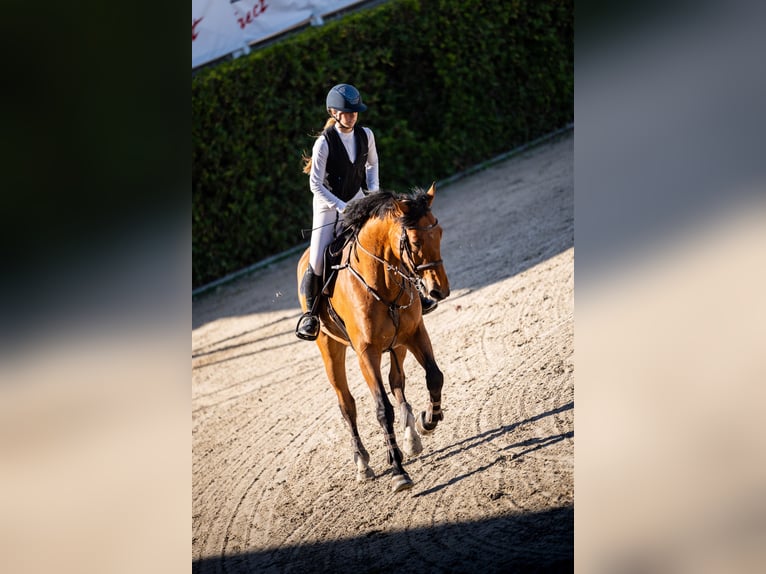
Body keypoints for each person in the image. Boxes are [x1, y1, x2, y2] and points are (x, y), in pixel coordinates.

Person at [296, 83, 437, 341]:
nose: (351, 116)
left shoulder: (366, 135)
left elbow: (372, 166)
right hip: (327, 207)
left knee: (388, 241)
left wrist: (372, 196)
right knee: (317, 259)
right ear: (333, 112)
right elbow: (314, 185)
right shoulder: (323, 144)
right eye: (346, 112)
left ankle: (417, 292)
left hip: (359, 199)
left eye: (354, 112)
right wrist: (341, 207)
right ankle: (311, 315)